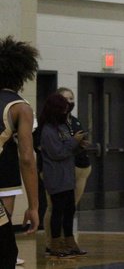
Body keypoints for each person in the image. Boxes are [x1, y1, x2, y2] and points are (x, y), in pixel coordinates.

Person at [0, 36, 39, 268]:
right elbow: (27, 158)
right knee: (6, 253)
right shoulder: (20, 107)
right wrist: (34, 206)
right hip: (4, 179)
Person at [41, 87, 92, 255]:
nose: (65, 112)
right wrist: (74, 141)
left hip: (67, 175)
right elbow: (57, 153)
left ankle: (70, 242)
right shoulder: (48, 130)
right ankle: (55, 244)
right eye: (62, 109)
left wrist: (79, 146)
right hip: (56, 176)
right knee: (57, 211)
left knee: (70, 210)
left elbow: (68, 150)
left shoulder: (63, 127)